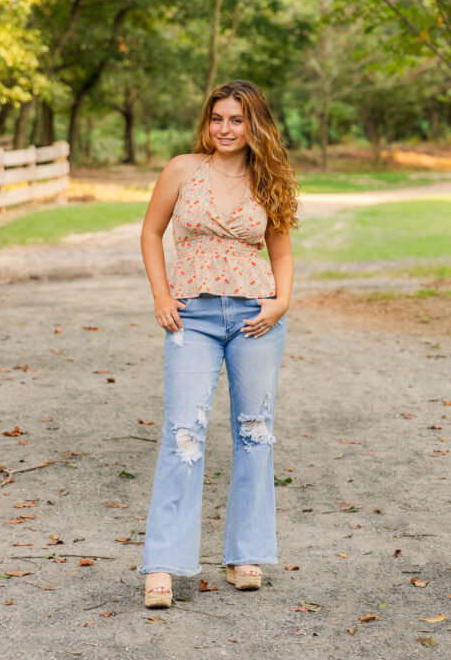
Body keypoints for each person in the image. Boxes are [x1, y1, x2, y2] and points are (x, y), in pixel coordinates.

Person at [138, 79, 299, 608]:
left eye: (236, 120)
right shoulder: (184, 170)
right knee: (183, 434)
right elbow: (150, 232)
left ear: (255, 125)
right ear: (207, 122)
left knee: (255, 433)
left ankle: (245, 553)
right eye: (217, 119)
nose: (225, 129)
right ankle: (163, 563)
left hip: (256, 317)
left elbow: (281, 251)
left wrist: (281, 301)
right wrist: (162, 296)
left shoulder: (268, 178)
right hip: (194, 317)